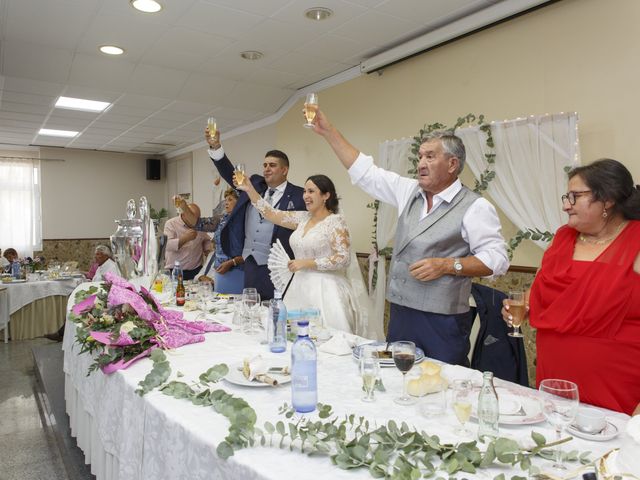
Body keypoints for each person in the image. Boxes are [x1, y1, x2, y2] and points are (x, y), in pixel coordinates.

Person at [310, 109, 509, 365]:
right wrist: (329, 132)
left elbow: (498, 259)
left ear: (452, 164)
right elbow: (366, 172)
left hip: (442, 322)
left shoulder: (475, 207)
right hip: (402, 315)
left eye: (430, 156)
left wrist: (449, 265)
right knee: (398, 377)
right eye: (420, 156)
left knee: (441, 383)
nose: (421, 163)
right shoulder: (408, 192)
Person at [502, 159, 640, 416]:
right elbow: (544, 287)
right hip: (554, 374)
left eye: (575, 197)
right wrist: (528, 304)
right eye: (567, 197)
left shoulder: (636, 241)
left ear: (607, 200)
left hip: (618, 383)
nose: (566, 205)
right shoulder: (563, 238)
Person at [237, 174, 367, 334]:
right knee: (293, 335)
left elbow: (343, 258)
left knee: (324, 337)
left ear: (326, 195)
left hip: (325, 290)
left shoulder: (335, 222)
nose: (305, 195)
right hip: (298, 287)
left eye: (311, 191)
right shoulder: (302, 218)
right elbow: (270, 213)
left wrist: (307, 263)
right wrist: (250, 189)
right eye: (305, 191)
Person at [203, 127, 305, 300]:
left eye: (272, 165)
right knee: (251, 307)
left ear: (284, 170)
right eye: (265, 165)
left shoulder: (299, 195)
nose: (266, 169)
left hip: (279, 266)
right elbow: (229, 173)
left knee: (275, 310)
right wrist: (216, 147)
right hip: (250, 261)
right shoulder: (254, 185)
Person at [193, 188, 245, 294]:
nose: (226, 202)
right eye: (225, 200)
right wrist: (183, 207)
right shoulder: (221, 219)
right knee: (219, 302)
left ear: (239, 202)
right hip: (219, 270)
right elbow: (198, 224)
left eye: (230, 199)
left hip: (238, 271)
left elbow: (251, 251)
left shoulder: (245, 220)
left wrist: (232, 262)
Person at [164, 202, 212, 281]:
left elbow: (205, 240)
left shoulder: (199, 225)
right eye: (193, 218)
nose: (196, 221)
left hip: (196, 271)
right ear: (184, 214)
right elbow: (167, 246)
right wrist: (185, 238)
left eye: (198, 218)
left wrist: (208, 250)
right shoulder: (171, 224)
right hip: (175, 271)